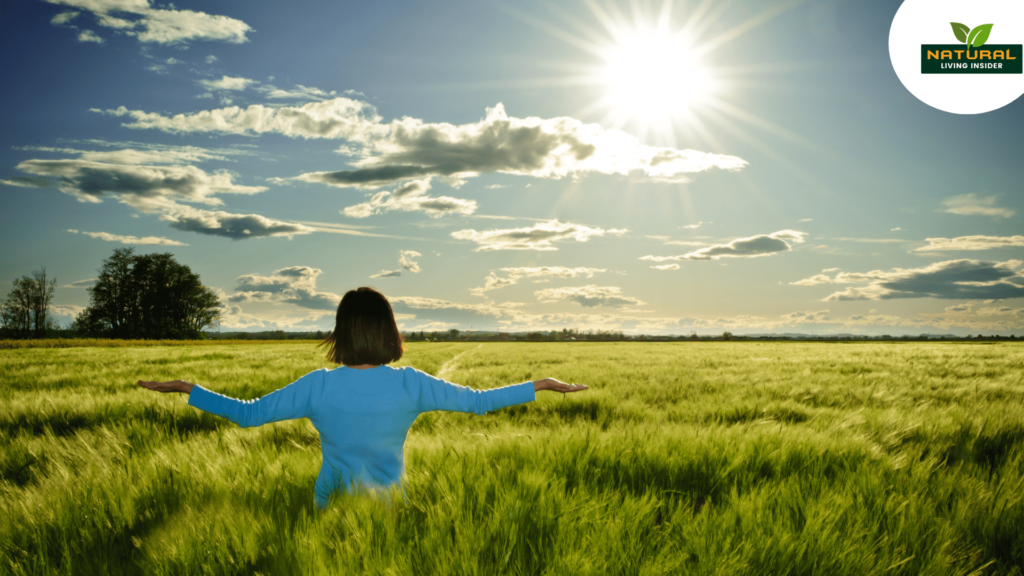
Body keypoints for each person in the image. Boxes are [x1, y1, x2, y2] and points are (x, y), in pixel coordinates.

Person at [137, 286, 588, 510]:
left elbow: (248, 415)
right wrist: (540, 384)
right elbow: (477, 402)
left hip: (328, 506)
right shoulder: (410, 383)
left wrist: (189, 389)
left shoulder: (318, 386)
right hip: (391, 508)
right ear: (389, 330)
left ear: (341, 332)